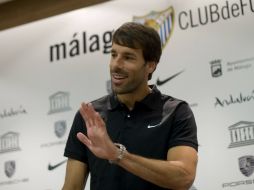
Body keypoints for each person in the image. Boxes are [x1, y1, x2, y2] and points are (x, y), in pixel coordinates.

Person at [62, 22, 198, 190]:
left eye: (128, 57)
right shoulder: (90, 116)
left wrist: (117, 155)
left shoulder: (176, 111)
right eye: (113, 54)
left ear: (150, 65)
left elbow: (183, 177)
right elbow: (72, 187)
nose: (116, 65)